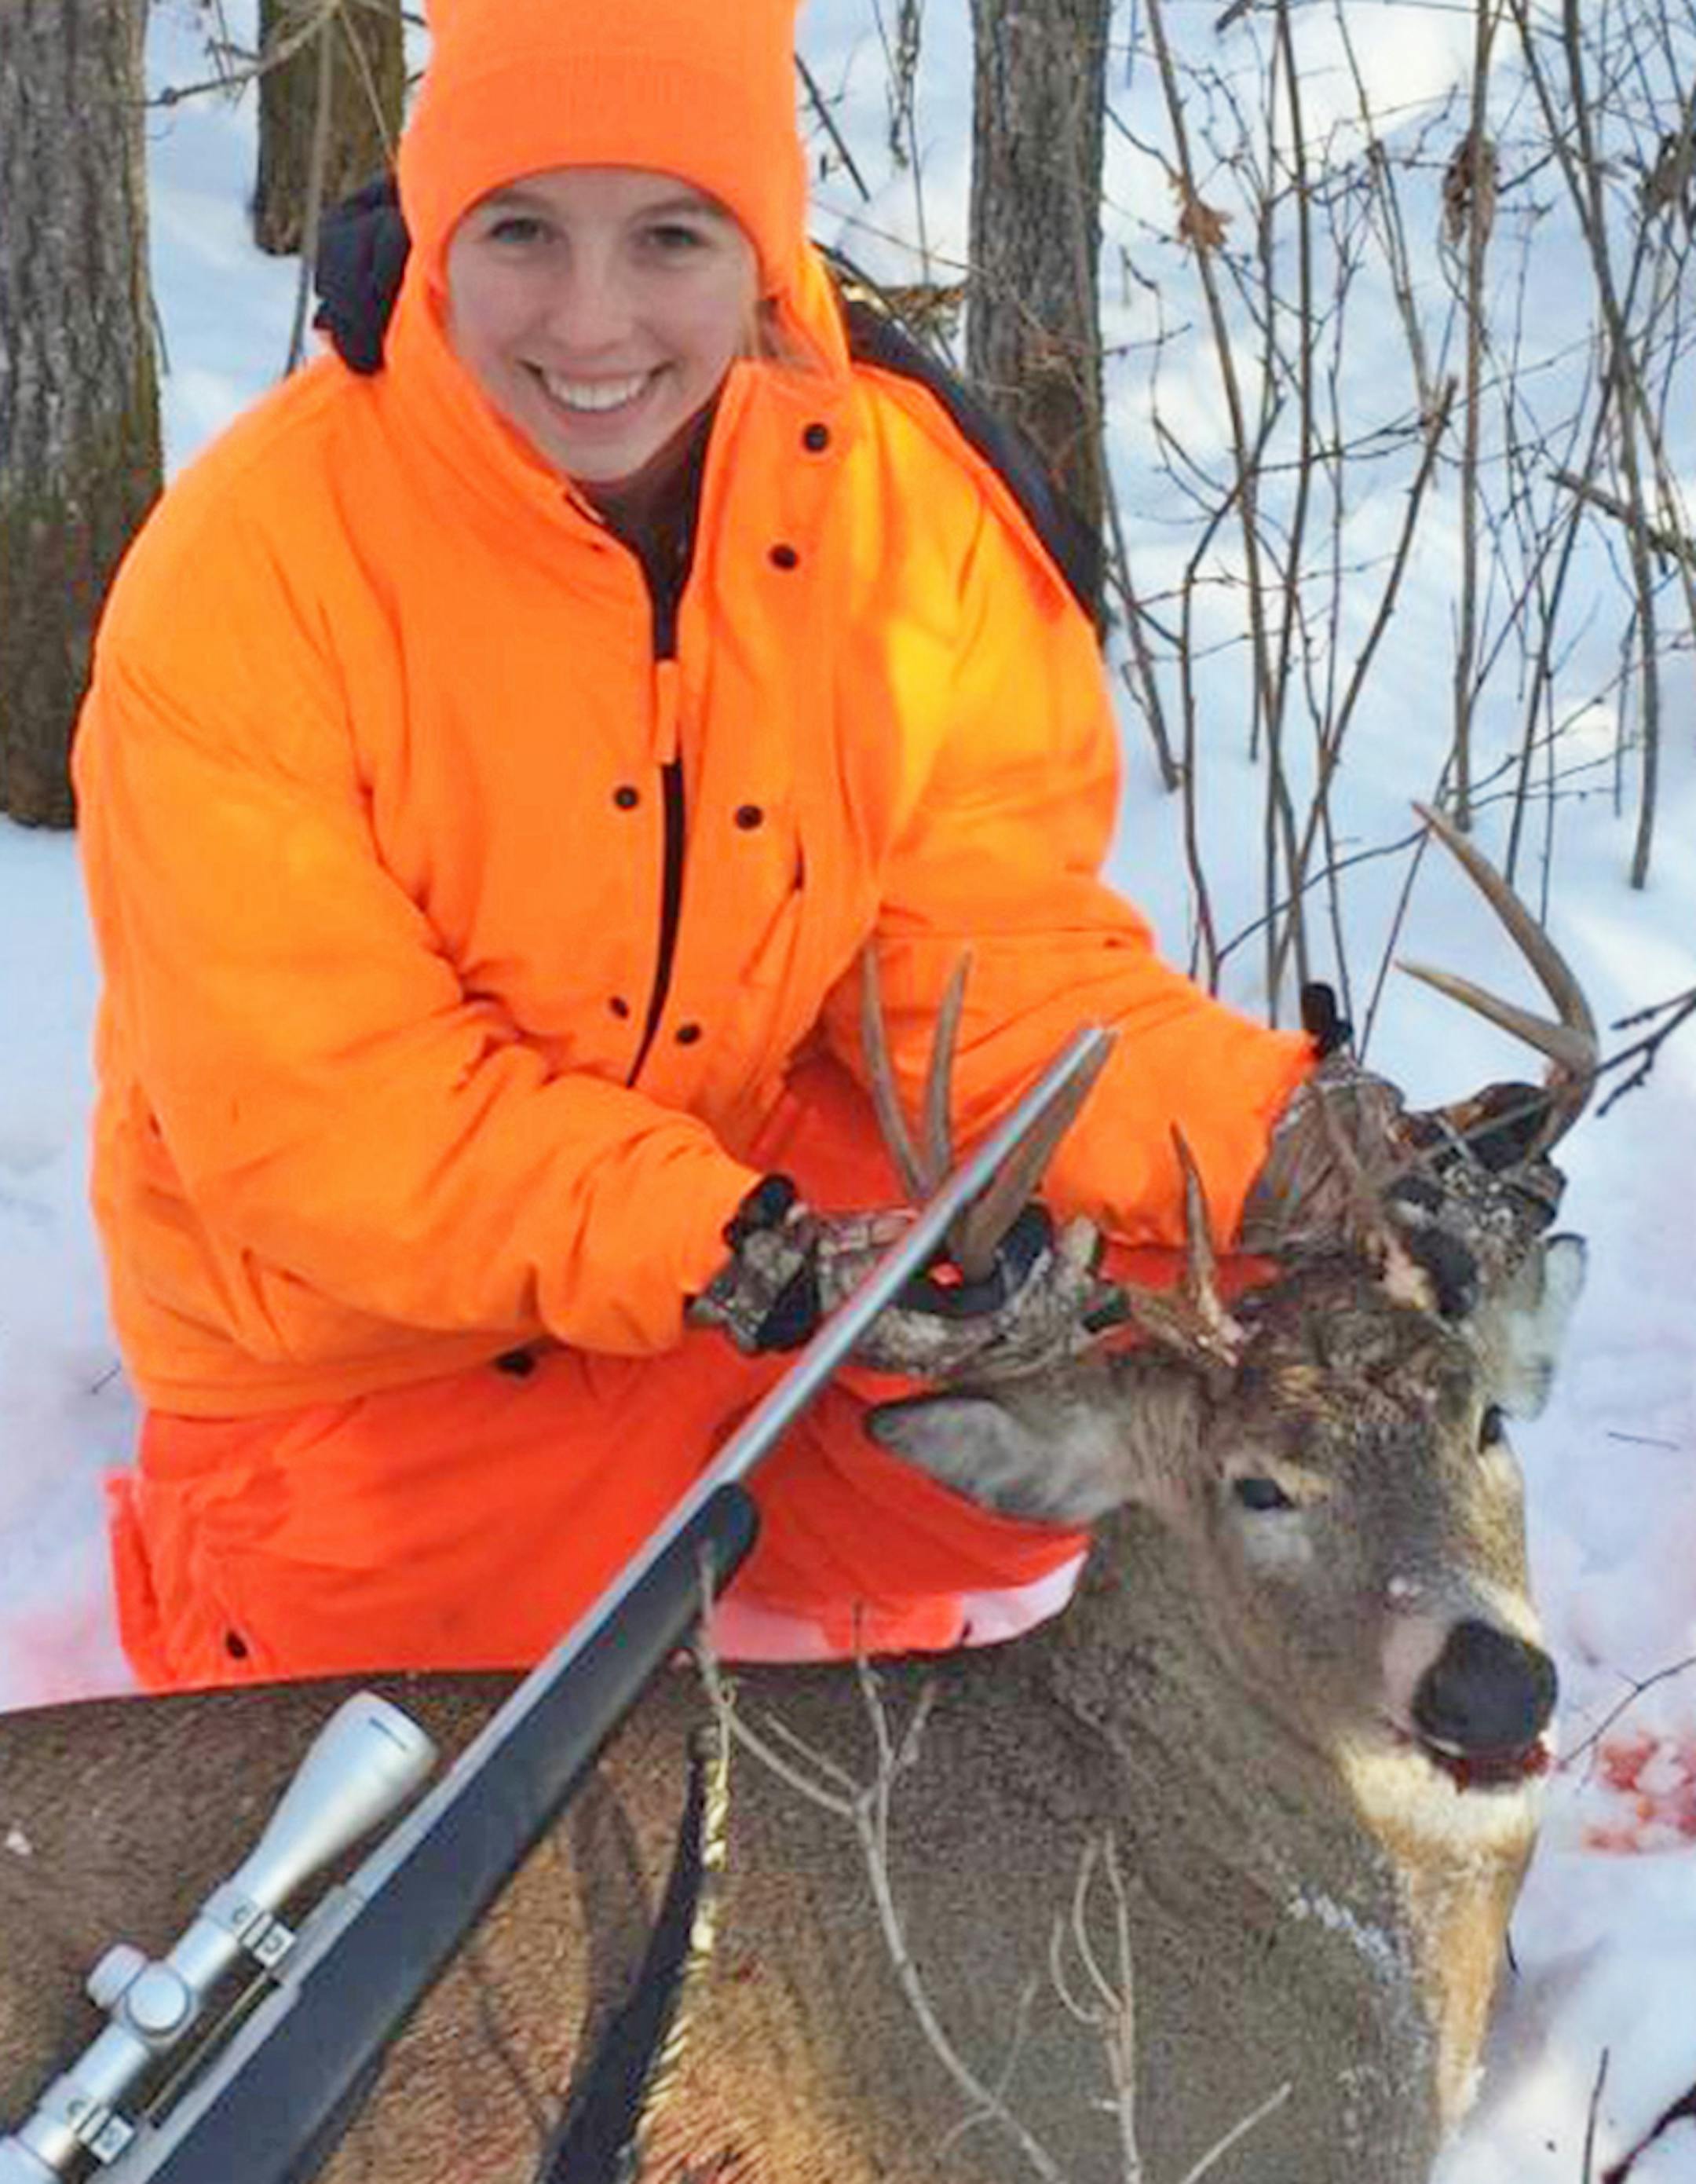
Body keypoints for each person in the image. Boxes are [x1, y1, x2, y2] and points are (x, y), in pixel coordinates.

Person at [74, 0, 1334, 1694]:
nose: (591, 323)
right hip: (398, 1353)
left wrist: (1281, 1137)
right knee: (375, 1774)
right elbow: (320, 1110)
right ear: (438, 233)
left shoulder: (898, 504)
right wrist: (726, 1248)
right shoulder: (254, 569)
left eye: (670, 235)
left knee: (1201, 1312)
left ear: (762, 247)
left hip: (770, 1270)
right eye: (522, 231)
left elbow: (993, 963)